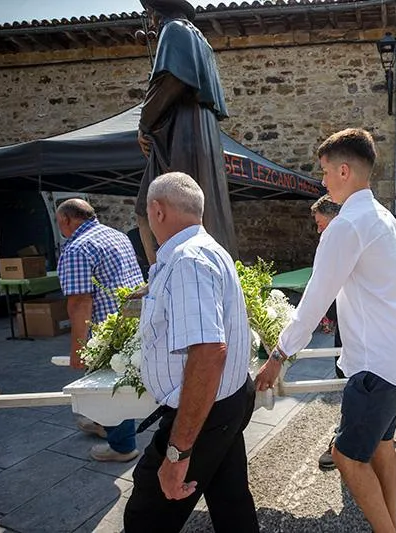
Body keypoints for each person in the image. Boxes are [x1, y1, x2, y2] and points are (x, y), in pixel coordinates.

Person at [255, 129, 396, 533]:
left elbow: (315, 299)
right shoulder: (384, 217)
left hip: (376, 362)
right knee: (382, 444)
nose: (323, 180)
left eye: (325, 171)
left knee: (346, 456)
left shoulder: (346, 224)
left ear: (344, 171)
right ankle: (391, 525)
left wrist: (278, 355)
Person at [124, 172, 258, 532]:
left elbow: (209, 352)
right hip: (225, 402)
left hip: (206, 411)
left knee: (145, 517)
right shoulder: (203, 250)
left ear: (157, 210)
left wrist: (177, 452)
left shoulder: (188, 260)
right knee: (230, 501)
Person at [135, 0, 238, 264]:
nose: (151, 21)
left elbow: (171, 80)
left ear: (156, 12)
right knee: (198, 204)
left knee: (152, 206)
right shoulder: (199, 39)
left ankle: (163, 270)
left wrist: (144, 123)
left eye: (150, 13)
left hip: (181, 129)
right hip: (198, 127)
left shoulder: (175, 29)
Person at [56, 199, 144, 462]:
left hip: (107, 333)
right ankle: (103, 423)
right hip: (133, 321)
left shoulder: (77, 248)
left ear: (66, 220)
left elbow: (80, 302)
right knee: (117, 379)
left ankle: (122, 447)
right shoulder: (117, 235)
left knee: (109, 386)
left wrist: (79, 349)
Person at [310, 194, 346, 471]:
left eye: (320, 223)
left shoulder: (343, 239)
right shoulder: (335, 240)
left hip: (358, 327)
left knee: (352, 379)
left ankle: (343, 444)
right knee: (344, 375)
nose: (318, 229)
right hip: (346, 322)